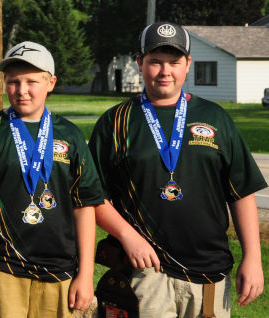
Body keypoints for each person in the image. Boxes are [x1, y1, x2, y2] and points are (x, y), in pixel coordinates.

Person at [89, 21, 266, 317]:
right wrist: (128, 236)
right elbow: (92, 196)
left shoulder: (216, 118)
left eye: (174, 62)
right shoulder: (116, 122)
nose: (165, 71)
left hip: (210, 272)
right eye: (155, 62)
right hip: (145, 271)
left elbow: (241, 192)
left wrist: (253, 259)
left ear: (188, 65)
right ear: (139, 63)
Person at [0, 41, 104, 317]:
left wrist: (86, 274)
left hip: (60, 272)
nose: (22, 90)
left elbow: (84, 206)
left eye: (32, 81)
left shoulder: (70, 135)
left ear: (51, 82)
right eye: (13, 82)